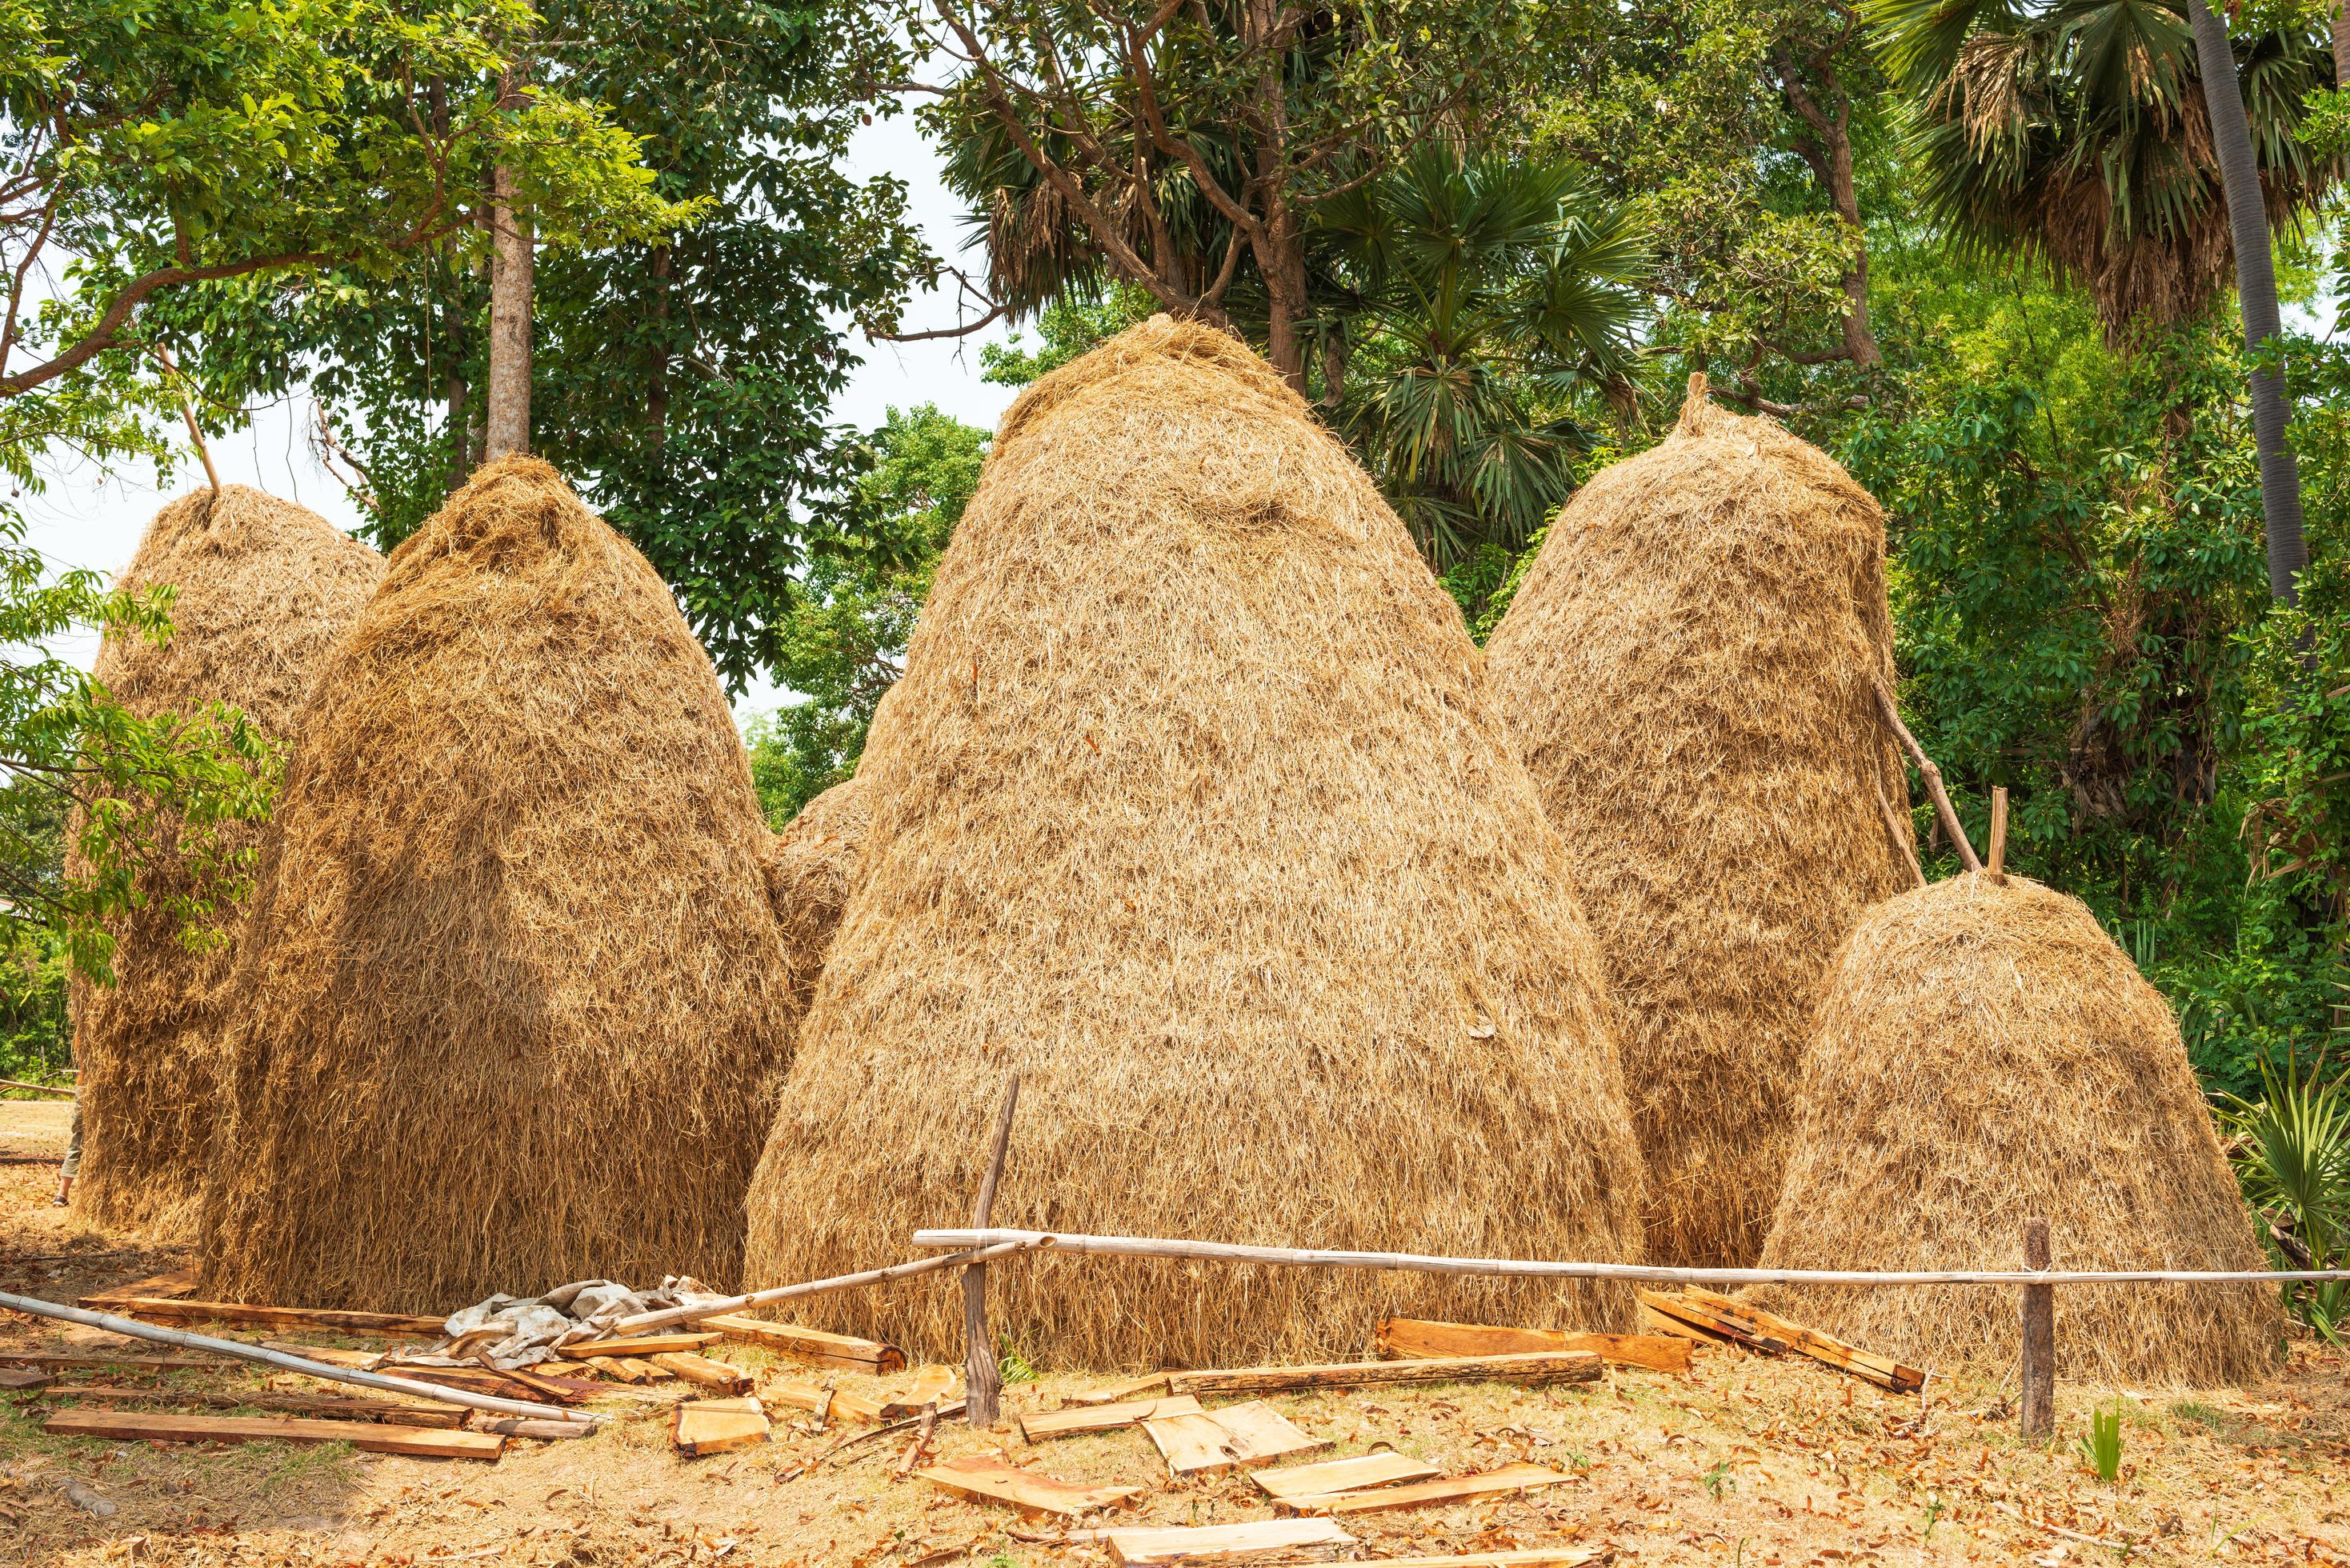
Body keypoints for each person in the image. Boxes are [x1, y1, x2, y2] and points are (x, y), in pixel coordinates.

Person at [54, 1092, 79, 1207]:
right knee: (79, 1142)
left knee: (78, 1143)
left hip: (86, 1089)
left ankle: (62, 1195)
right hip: (88, 1090)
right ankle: (62, 1193)